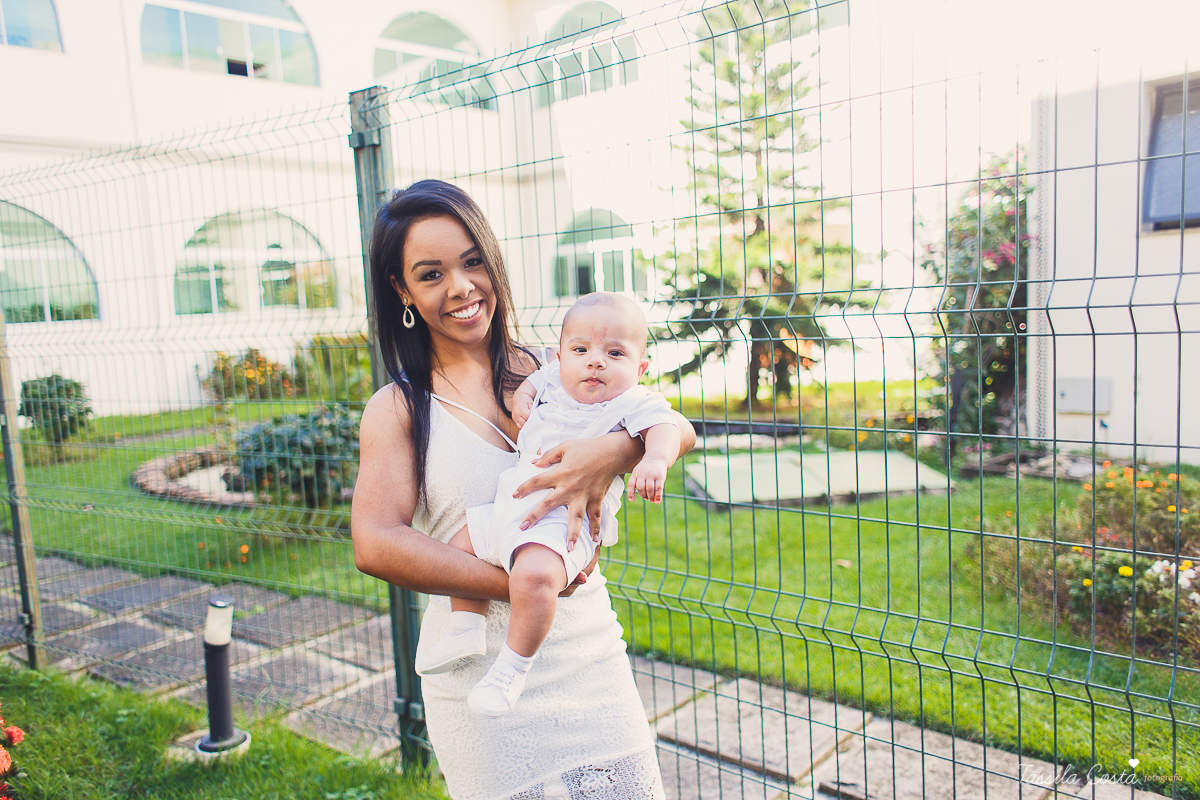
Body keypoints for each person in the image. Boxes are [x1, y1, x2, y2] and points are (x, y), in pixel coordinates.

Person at [351, 179, 695, 800]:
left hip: (588, 656)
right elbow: (375, 544)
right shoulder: (397, 407)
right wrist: (528, 582)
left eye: (472, 261)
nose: (460, 287)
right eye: (431, 274)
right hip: (478, 676)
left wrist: (613, 452)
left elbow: (675, 427)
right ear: (403, 290)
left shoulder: (557, 365)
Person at [415, 293, 682, 719]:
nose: (595, 362)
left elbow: (669, 426)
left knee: (536, 576)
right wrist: (524, 395)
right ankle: (465, 627)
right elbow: (537, 381)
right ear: (561, 357)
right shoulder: (555, 377)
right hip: (512, 507)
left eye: (615, 353)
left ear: (641, 368)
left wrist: (653, 458)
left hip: (563, 524)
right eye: (581, 351)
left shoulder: (631, 401)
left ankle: (511, 669)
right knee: (458, 545)